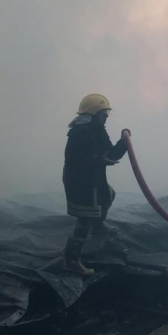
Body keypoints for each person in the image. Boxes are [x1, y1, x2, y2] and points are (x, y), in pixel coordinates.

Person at [62, 94, 130, 275]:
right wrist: (99, 160)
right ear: (93, 113)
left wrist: (123, 143)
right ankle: (71, 260)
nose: (106, 116)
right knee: (84, 219)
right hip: (80, 181)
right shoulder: (79, 132)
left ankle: (98, 227)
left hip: (94, 178)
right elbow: (74, 159)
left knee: (108, 196)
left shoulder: (99, 130)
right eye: (103, 113)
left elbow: (111, 153)